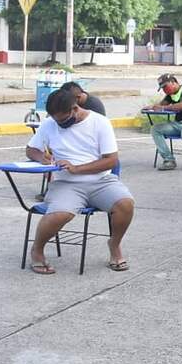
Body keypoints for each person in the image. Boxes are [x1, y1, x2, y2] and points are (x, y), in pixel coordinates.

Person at [25, 89, 134, 274]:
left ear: (75, 109)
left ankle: (114, 245)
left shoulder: (99, 122)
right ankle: (37, 250)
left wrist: (77, 168)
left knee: (126, 204)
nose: (59, 124)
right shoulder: (50, 124)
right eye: (55, 120)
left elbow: (111, 160)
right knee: (59, 214)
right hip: (65, 184)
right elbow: (31, 149)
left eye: (62, 120)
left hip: (101, 181)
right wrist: (43, 158)